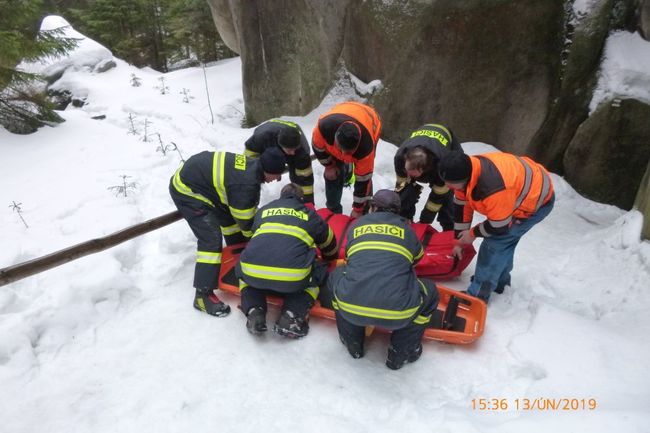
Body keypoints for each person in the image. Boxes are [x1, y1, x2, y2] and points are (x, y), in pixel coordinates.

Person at [327, 189, 439, 370]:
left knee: (336, 276)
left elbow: (350, 258)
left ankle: (352, 340)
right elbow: (416, 260)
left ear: (373, 208)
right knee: (430, 291)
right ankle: (401, 351)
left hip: (351, 306)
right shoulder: (407, 231)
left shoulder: (357, 226)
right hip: (399, 313)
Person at [169, 148, 287, 317]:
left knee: (230, 220)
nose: (277, 179)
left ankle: (237, 255)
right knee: (210, 237)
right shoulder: (246, 185)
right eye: (276, 175)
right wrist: (258, 245)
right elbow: (246, 222)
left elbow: (239, 216)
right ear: (267, 171)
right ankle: (202, 295)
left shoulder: (253, 167)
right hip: (187, 190)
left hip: (206, 185)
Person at [438, 150, 555, 303]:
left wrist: (472, 234)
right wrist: (460, 239)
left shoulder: (492, 186)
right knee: (503, 245)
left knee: (494, 245)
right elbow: (462, 204)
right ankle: (500, 284)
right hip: (513, 195)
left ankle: (477, 296)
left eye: (451, 183)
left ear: (464, 178)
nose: (447, 186)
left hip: (533, 203)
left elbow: (499, 225)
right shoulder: (467, 170)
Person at [236, 183, 338, 338]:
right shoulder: (309, 214)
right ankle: (292, 316)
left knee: (243, 271)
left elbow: (254, 236)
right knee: (318, 270)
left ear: (281, 196)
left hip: (253, 272)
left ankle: (254, 310)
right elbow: (329, 244)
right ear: (301, 199)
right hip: (292, 278)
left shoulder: (264, 210)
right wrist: (329, 259)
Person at [311, 101, 382, 218]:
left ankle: (364, 212)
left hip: (370, 119)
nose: (343, 154)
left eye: (348, 152)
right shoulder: (323, 129)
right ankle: (333, 211)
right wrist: (329, 166)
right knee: (332, 174)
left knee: (364, 176)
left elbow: (363, 179)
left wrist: (357, 209)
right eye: (341, 149)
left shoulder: (365, 148)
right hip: (343, 109)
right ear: (335, 138)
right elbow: (317, 148)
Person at [394, 123, 461, 230]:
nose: (408, 175)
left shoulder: (442, 166)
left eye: (412, 174)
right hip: (424, 132)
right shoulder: (400, 158)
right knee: (406, 190)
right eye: (407, 171)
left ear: (424, 170)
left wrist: (424, 222)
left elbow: (436, 199)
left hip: (448, 142)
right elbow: (401, 186)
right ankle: (405, 220)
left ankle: (450, 230)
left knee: (446, 197)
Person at [244, 119, 316, 204]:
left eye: (294, 149)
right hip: (267, 132)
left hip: (293, 134)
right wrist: (270, 171)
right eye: (290, 150)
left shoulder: (301, 152)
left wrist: (308, 203)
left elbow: (306, 180)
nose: (293, 153)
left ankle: (296, 201)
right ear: (280, 145)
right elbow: (249, 162)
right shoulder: (261, 138)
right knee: (256, 174)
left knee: (297, 175)